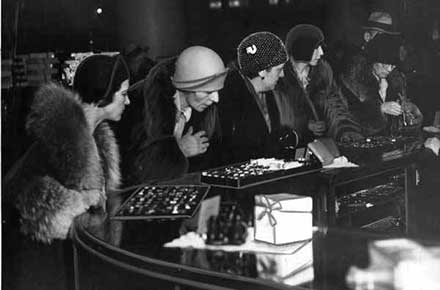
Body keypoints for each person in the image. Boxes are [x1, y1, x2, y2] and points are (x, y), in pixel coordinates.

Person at [2, 54, 130, 290]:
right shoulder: (63, 140)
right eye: (123, 93)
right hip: (40, 265)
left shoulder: (88, 136)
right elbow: (31, 204)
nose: (128, 101)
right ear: (103, 94)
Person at [126, 46, 228, 184]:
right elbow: (135, 171)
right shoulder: (138, 105)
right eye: (207, 92)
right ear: (185, 85)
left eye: (217, 91)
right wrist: (180, 150)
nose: (216, 99)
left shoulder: (203, 111)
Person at [275, 24, 363, 145]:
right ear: (301, 48)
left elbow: (334, 105)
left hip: (322, 146)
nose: (321, 53)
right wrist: (304, 125)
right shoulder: (278, 76)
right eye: (316, 48)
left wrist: (346, 130)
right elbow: (276, 114)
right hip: (288, 147)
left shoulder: (323, 72)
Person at [216, 31, 288, 164]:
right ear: (262, 71)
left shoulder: (266, 91)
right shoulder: (229, 99)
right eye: (279, 69)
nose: (282, 74)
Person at [340, 34, 422, 136]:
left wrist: (411, 112)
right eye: (384, 64)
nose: (388, 69)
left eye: (392, 65)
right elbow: (345, 117)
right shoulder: (354, 83)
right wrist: (380, 109)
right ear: (372, 61)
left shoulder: (396, 83)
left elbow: (400, 125)